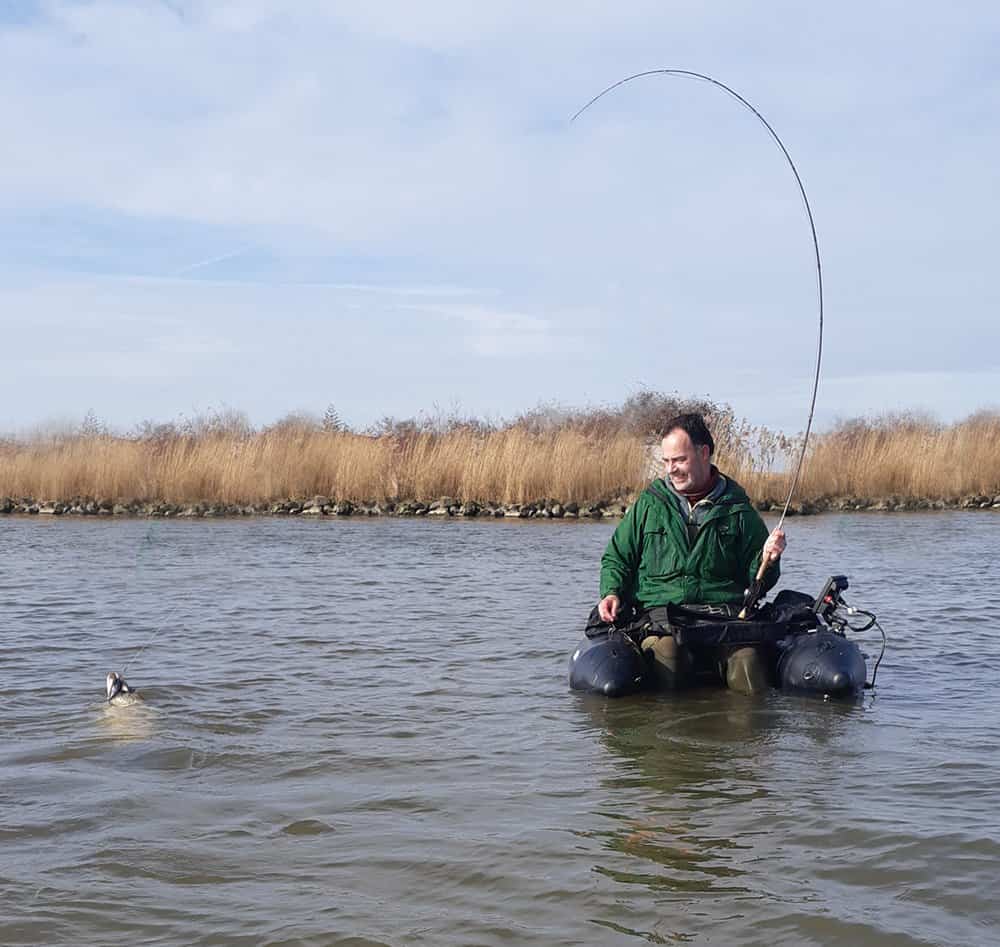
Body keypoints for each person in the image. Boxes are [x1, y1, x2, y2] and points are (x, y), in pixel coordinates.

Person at [596, 413, 786, 695]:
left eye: (679, 460)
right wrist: (611, 592)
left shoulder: (739, 509)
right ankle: (670, 735)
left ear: (703, 453)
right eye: (667, 462)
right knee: (668, 656)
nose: (671, 469)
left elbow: (760, 580)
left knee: (749, 664)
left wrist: (769, 559)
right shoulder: (649, 505)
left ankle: (749, 737)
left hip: (725, 619)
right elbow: (617, 558)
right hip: (663, 618)